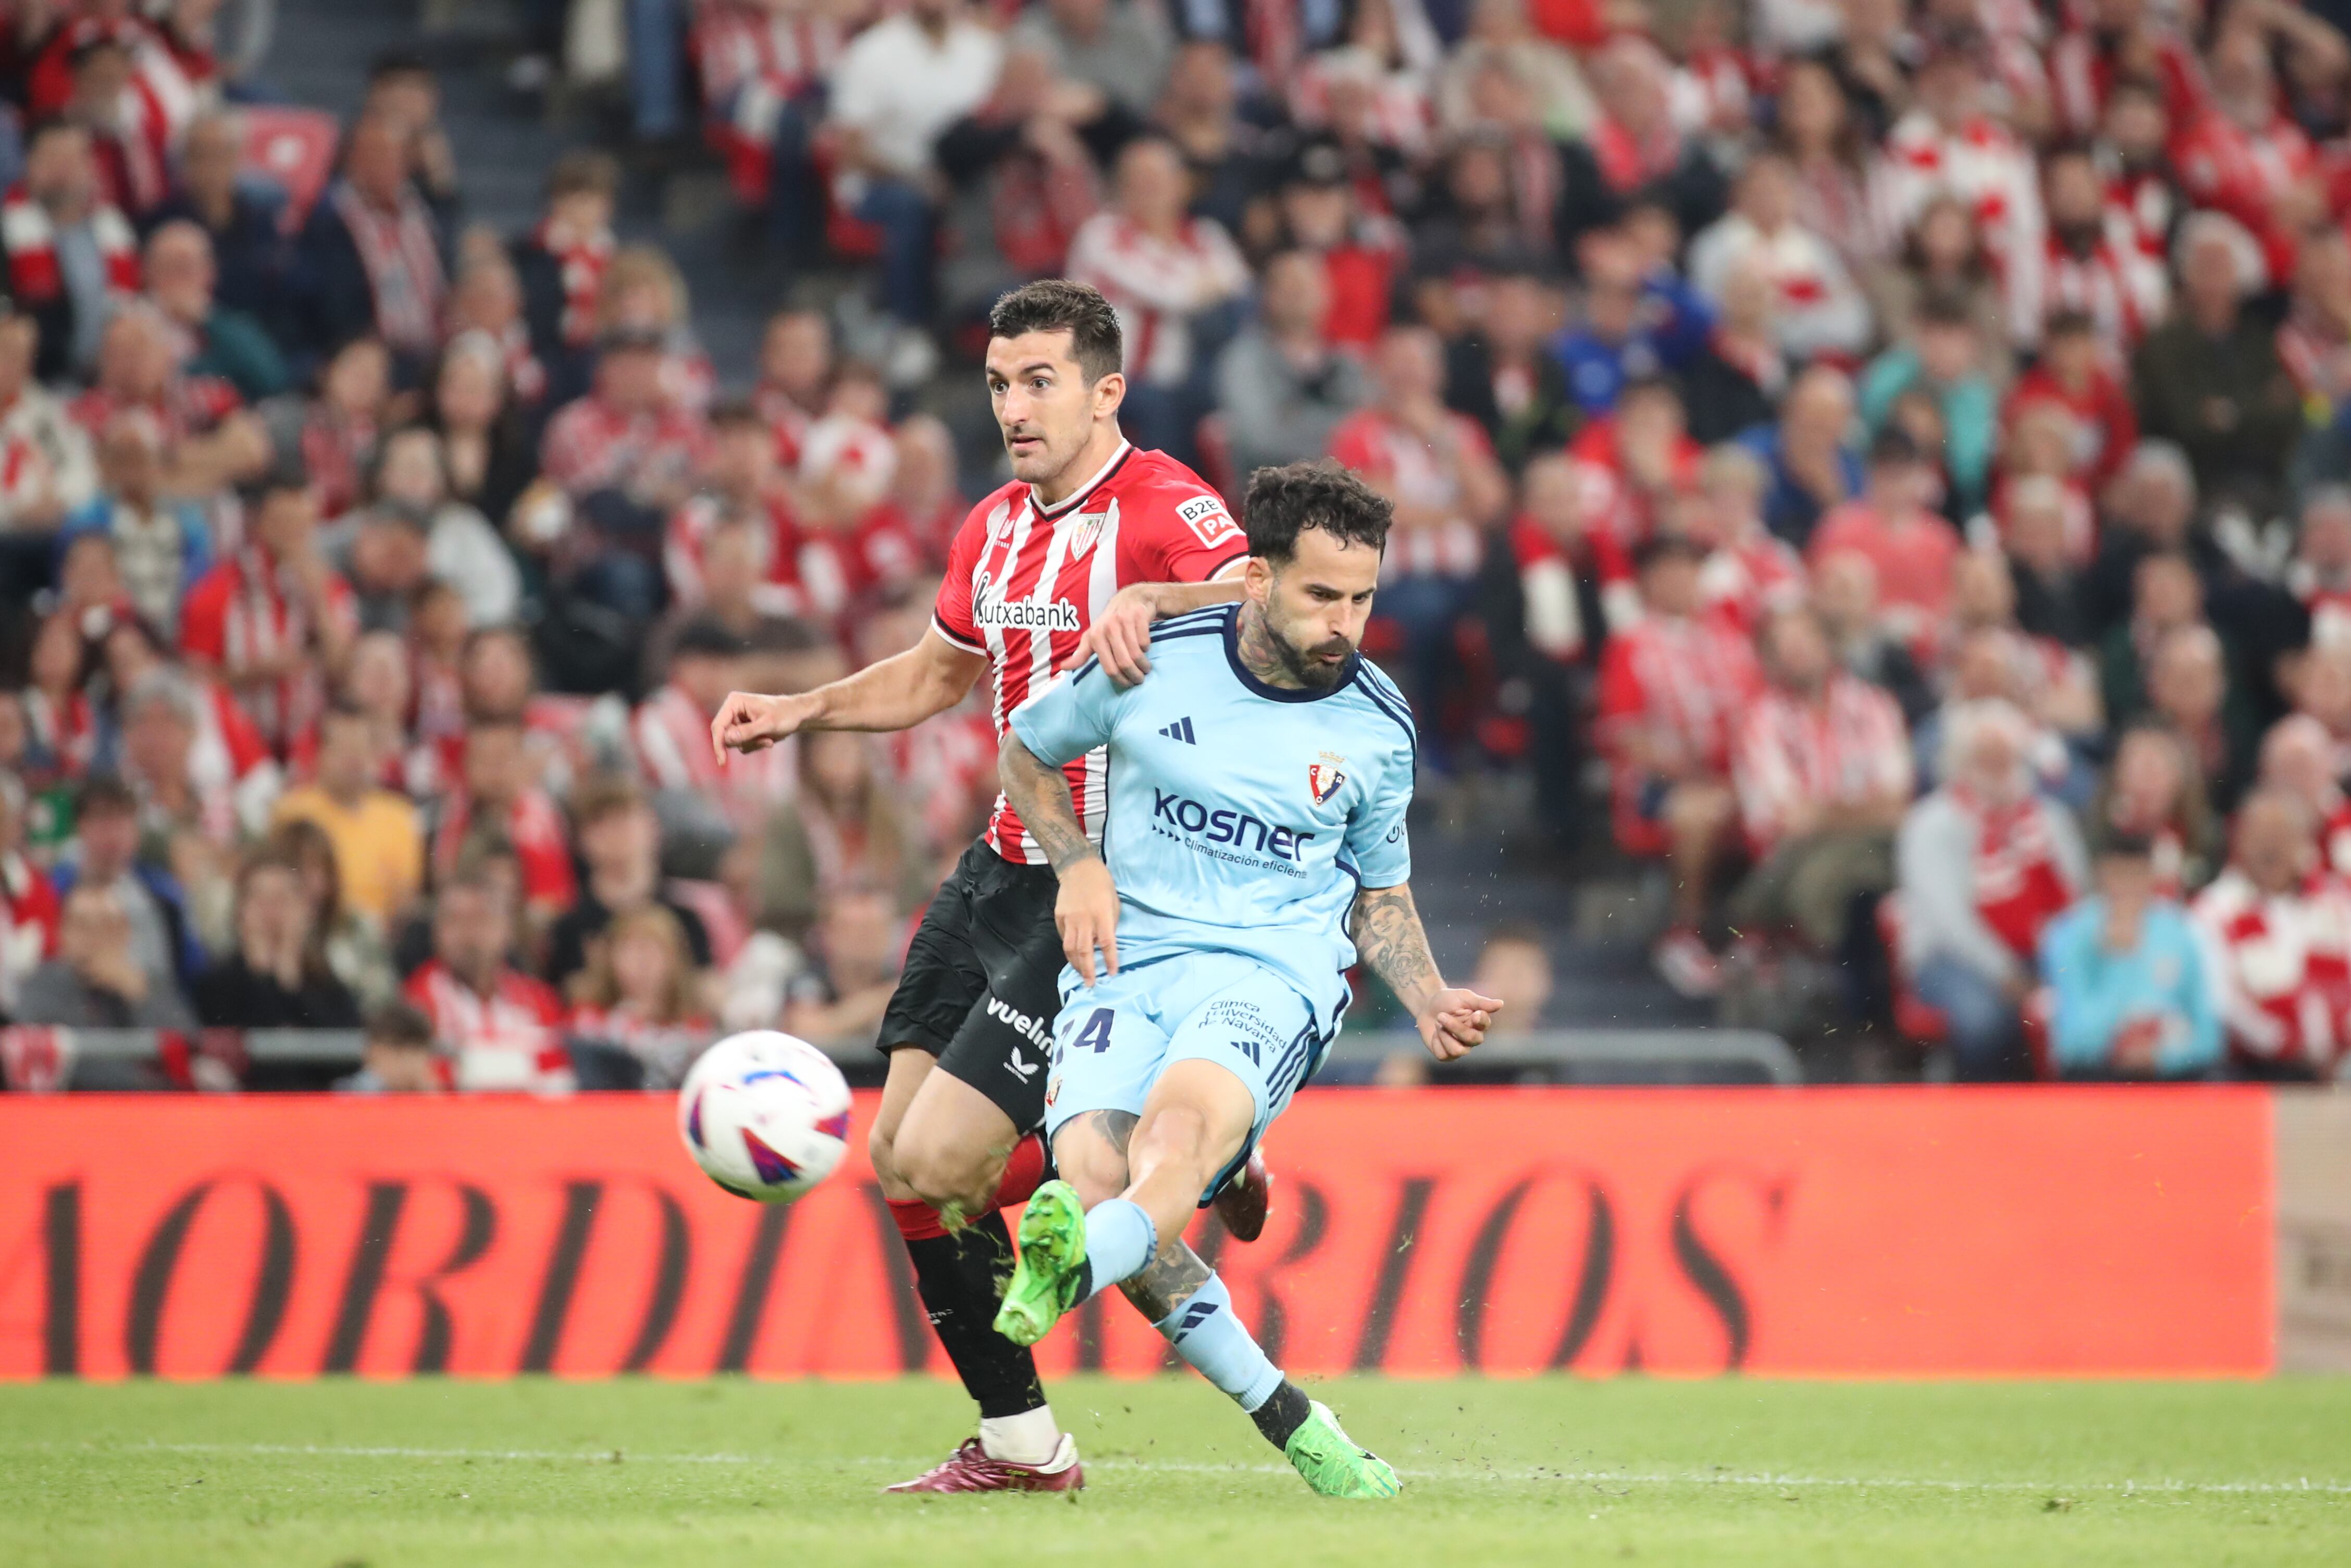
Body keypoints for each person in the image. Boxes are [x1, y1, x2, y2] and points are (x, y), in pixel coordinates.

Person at [709, 279, 1265, 1494]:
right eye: (1000, 384)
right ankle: (1022, 1442)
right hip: (997, 869)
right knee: (898, 1164)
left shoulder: (1167, 506)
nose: (1014, 407)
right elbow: (935, 673)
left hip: (1102, 888)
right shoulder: (994, 526)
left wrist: (1157, 596)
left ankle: (1166, 1151)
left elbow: (1270, 607)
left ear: (1105, 389)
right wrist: (798, 708)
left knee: (947, 1159)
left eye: (1040, 381)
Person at [990, 460, 1498, 1496]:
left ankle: (1079, 1260)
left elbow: (1381, 890)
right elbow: (1026, 754)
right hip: (1127, 965)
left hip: (1274, 970)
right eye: (1321, 594)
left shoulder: (1377, 724)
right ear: (1256, 578)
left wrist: (1431, 993)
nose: (1344, 623)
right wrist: (1077, 864)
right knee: (1095, 1178)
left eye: (1361, 597)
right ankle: (1295, 1418)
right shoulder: (1147, 660)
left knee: (1170, 1136)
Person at [1894, 699, 2088, 1080]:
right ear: (1960, 762)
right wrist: (2006, 972)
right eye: (1986, 758)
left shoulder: (2050, 818)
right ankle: (1979, 1126)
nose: (2000, 768)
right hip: (1953, 957)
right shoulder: (1932, 824)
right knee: (1987, 1022)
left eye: (2008, 757)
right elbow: (1950, 921)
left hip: (2043, 950)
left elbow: (2077, 895)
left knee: (2089, 1014)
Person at [2191, 787, 2351, 1081]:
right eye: (2260, 836)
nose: (2271, 848)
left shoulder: (2336, 903)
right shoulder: (2216, 910)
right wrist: (2286, 1046)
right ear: (2239, 841)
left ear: (2305, 842)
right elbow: (2222, 1000)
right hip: (2259, 1072)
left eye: (2282, 836)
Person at [2040, 831, 2223, 1080]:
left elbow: (2208, 1035)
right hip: (2100, 1071)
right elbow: (2070, 1045)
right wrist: (2119, 960)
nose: (2126, 889)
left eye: (2135, 876)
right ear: (2100, 876)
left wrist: (2163, 1056)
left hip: (2168, 1070)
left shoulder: (2179, 932)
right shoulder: (2069, 936)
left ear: (2151, 876)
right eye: (2117, 875)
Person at [403, 869, 574, 1093]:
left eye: (480, 919)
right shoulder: (418, 1001)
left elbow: (559, 1079)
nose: (468, 933)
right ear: (437, 931)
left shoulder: (539, 1000)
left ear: (506, 928)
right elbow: (431, 1083)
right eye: (455, 920)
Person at [270, 702, 424, 929]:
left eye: (362, 748)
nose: (354, 760)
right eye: (343, 748)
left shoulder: (400, 815)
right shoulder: (291, 812)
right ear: (320, 754)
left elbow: (406, 897)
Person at [192, 849, 362, 1030]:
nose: (270, 912)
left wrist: (289, 979)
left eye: (281, 899)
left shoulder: (328, 988)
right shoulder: (216, 984)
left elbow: (338, 1043)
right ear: (240, 911)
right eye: (259, 899)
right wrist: (261, 976)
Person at [339, 997, 444, 1093]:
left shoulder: (430, 1096)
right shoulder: (350, 1096)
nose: (411, 1063)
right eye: (399, 1052)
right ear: (374, 1052)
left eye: (418, 1053)